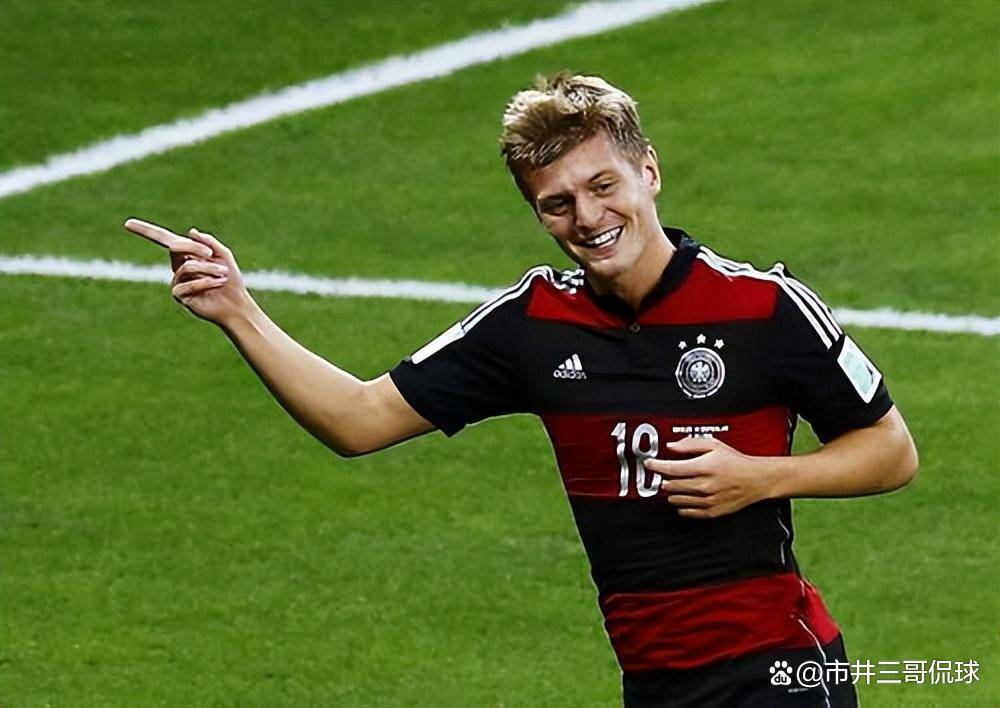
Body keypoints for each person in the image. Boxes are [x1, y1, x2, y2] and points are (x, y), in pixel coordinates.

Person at [126, 73, 918, 707]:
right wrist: (237, 310)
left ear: (648, 172)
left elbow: (891, 450)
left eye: (604, 185)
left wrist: (760, 479)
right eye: (558, 203)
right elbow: (357, 420)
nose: (589, 217)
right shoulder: (531, 324)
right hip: (653, 681)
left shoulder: (765, 308)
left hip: (777, 672)